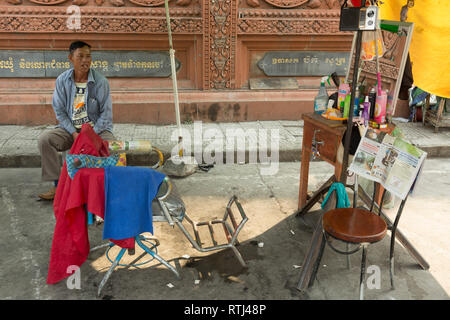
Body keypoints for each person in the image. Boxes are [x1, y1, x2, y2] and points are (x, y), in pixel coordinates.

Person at [38, 40, 115, 200]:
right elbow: (59, 110)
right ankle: (58, 185)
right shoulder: (62, 80)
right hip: (70, 129)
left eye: (88, 56)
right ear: (71, 58)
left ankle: (107, 188)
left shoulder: (100, 82)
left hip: (97, 129)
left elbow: (106, 115)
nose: (85, 60)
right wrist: (74, 132)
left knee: (113, 148)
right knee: (45, 140)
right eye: (80, 56)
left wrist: (90, 134)